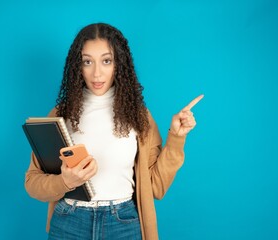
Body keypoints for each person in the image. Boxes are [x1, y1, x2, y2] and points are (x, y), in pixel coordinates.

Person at [25, 23, 203, 240]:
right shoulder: (60, 114)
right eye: (87, 61)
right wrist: (65, 182)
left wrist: (176, 137)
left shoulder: (138, 116)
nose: (97, 73)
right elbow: (32, 183)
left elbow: (156, 186)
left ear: (119, 64)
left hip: (122, 223)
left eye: (106, 61)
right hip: (69, 221)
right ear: (77, 66)